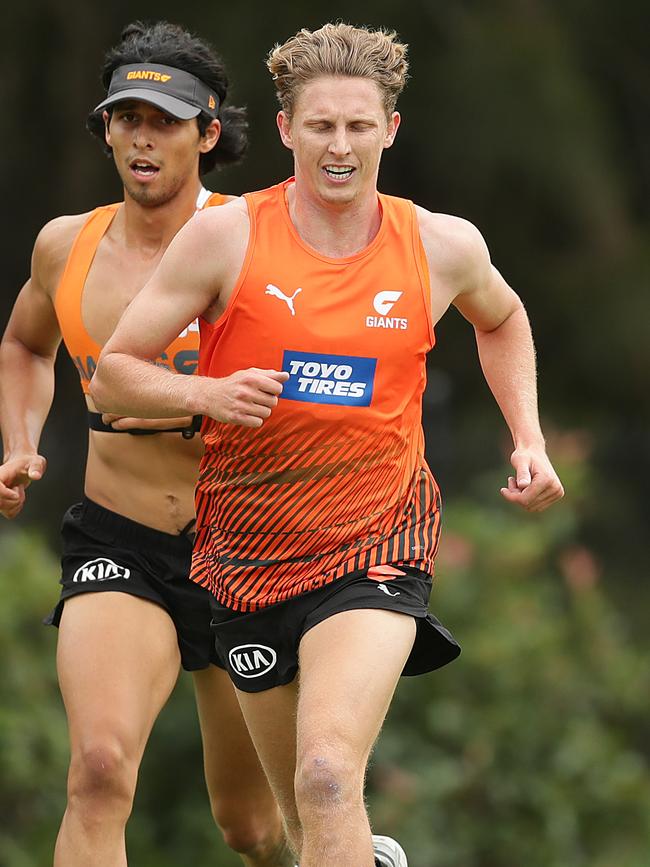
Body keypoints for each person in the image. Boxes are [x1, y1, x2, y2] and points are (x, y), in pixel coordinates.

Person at [90, 22, 565, 867]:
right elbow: (114, 374)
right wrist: (204, 391)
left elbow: (505, 318)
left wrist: (527, 435)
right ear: (285, 131)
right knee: (294, 825)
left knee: (325, 776)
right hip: (245, 552)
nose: (338, 146)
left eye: (357, 125)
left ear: (389, 128)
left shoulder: (439, 244)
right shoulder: (226, 237)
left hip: (376, 540)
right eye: (320, 126)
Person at [0, 20, 293, 867]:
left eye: (165, 119)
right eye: (126, 117)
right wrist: (19, 440)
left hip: (250, 550)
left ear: (208, 132)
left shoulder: (263, 241)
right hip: (120, 539)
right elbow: (25, 343)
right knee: (96, 771)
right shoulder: (68, 246)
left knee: (252, 826)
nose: (141, 136)